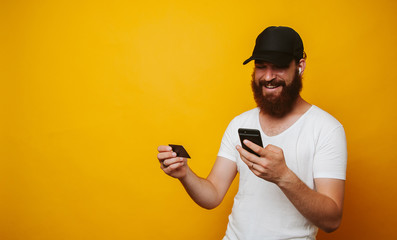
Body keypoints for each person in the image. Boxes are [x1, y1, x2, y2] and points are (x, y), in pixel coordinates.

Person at [157, 26, 347, 240]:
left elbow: (332, 220)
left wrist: (283, 176)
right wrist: (185, 174)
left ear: (300, 66)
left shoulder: (327, 129)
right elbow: (213, 194)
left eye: (279, 67)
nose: (268, 76)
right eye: (261, 66)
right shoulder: (240, 123)